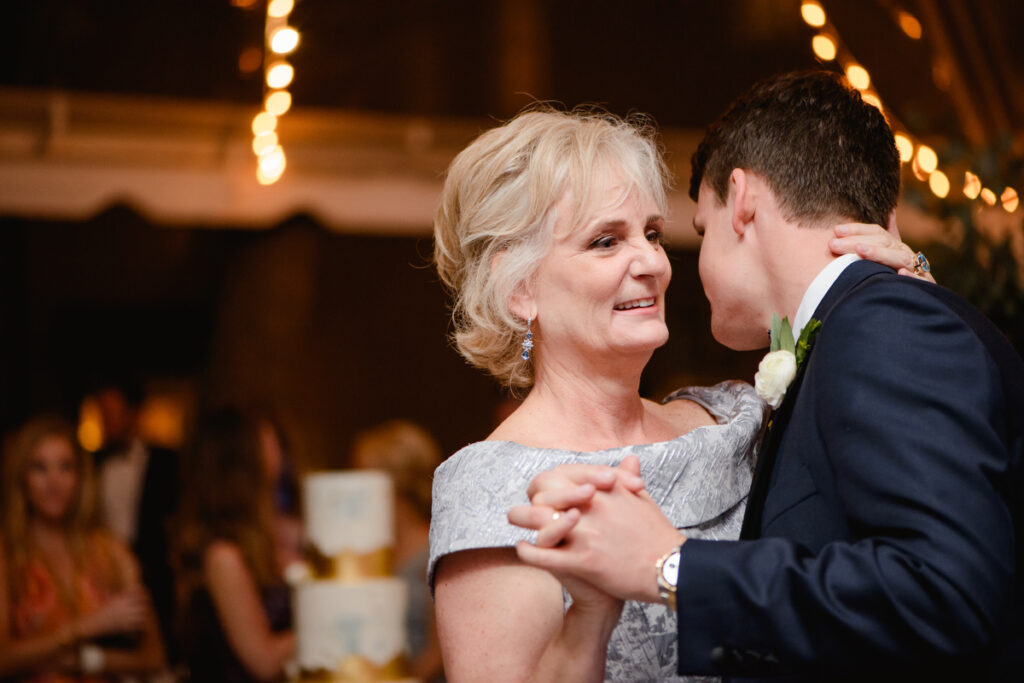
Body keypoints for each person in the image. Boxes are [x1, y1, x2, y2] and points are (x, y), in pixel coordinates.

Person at [510, 71, 1024, 681]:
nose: (665, 265)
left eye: (696, 230)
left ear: (743, 198)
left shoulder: (883, 324)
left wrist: (672, 565)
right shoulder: (875, 324)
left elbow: (947, 593)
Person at [427, 104, 930, 682]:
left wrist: (910, 298)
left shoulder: (734, 417)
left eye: (651, 234)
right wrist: (590, 615)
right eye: (604, 242)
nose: (652, 263)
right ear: (519, 289)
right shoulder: (494, 489)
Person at [0, 415, 166, 681]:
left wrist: (88, 660)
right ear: (22, 478)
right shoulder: (7, 553)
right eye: (39, 468)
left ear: (80, 476)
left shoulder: (110, 551)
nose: (54, 482)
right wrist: (86, 627)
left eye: (65, 467)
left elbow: (154, 657)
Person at [175, 408, 295, 681]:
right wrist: (329, 617)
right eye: (264, 441)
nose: (277, 448)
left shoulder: (259, 542)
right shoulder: (223, 555)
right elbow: (262, 661)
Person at [352, 419, 446, 682]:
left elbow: (438, 653)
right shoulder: (369, 549)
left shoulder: (433, 550)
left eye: (363, 476)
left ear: (393, 484)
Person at [92, 378, 179, 656]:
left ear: (134, 413)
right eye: (101, 414)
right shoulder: (87, 463)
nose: (106, 421)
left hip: (152, 569)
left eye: (112, 413)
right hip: (98, 568)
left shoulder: (166, 461)